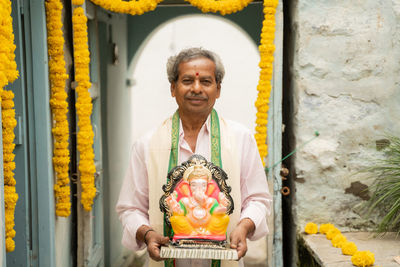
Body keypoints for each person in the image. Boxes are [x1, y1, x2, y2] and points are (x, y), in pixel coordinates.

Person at [116, 47, 272, 267]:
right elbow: (130, 208)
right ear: (173, 88)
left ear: (218, 89)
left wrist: (244, 226)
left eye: (206, 82)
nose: (196, 88)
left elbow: (258, 199)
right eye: (187, 81)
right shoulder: (146, 144)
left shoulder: (240, 139)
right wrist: (147, 233)